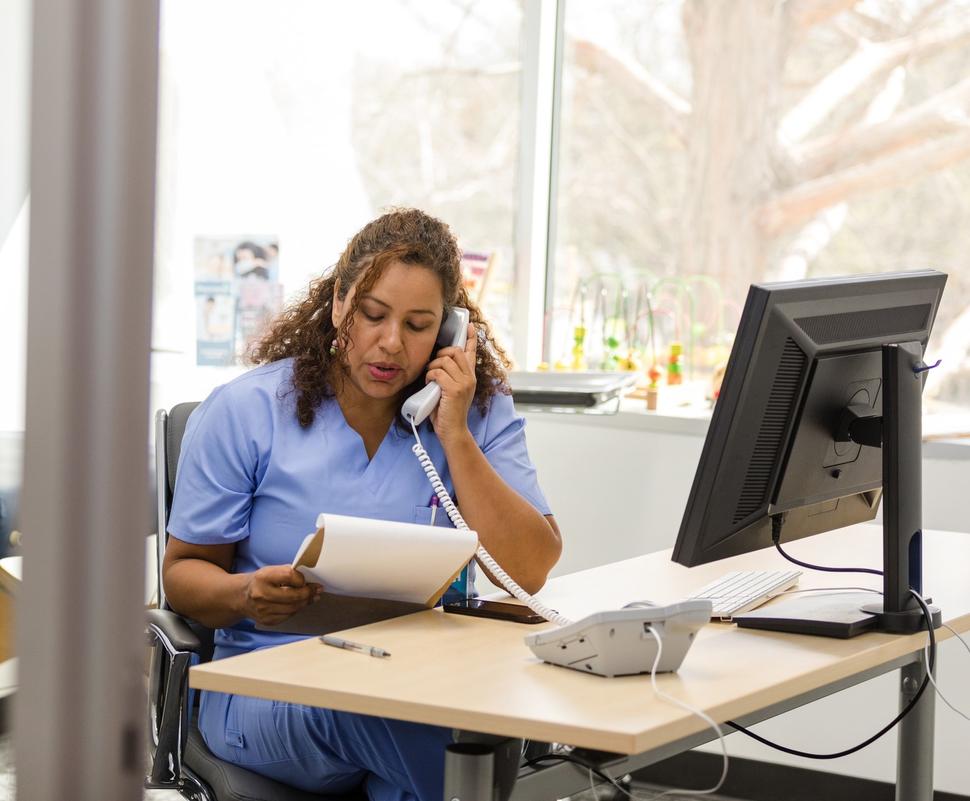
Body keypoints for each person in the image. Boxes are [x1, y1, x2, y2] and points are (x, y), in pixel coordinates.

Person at [163, 208, 563, 801]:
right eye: (372, 315)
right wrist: (246, 594)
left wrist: (453, 434)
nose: (391, 343)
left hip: (419, 676)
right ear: (337, 304)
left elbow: (529, 569)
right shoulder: (246, 411)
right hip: (269, 690)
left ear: (450, 331)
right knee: (434, 734)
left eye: (419, 324)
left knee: (450, 721)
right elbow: (183, 576)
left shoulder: (473, 411)